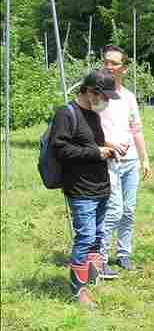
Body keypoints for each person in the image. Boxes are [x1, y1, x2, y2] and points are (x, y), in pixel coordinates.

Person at [50, 69, 127, 307]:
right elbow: (59, 149)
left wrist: (110, 146)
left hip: (100, 186)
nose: (105, 102)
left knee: (98, 236)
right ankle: (78, 290)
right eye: (103, 96)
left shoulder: (92, 114)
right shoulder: (66, 113)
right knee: (85, 238)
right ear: (90, 91)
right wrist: (96, 152)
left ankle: (91, 277)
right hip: (81, 189)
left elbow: (94, 143)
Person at [98, 44, 152, 275]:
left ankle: (124, 253)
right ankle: (99, 257)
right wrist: (109, 144)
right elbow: (90, 129)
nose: (109, 66)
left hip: (130, 162)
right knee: (114, 210)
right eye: (106, 62)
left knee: (129, 210)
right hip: (110, 160)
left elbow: (136, 129)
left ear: (124, 69)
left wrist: (145, 159)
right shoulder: (98, 95)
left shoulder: (129, 97)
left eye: (115, 63)